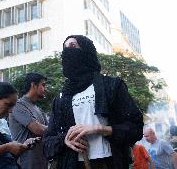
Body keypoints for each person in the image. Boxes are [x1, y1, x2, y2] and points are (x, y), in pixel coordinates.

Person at [44, 35, 144, 169]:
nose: (68, 51)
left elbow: (135, 128)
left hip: (109, 162)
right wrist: (65, 140)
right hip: (72, 163)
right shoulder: (61, 97)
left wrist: (100, 128)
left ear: (86, 50)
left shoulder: (112, 85)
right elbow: (48, 141)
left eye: (73, 46)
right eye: (65, 48)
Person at [9, 72, 48, 169]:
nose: (45, 89)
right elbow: (37, 129)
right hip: (24, 163)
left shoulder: (39, 109)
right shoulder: (18, 105)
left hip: (41, 162)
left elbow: (49, 131)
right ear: (33, 85)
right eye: (43, 85)